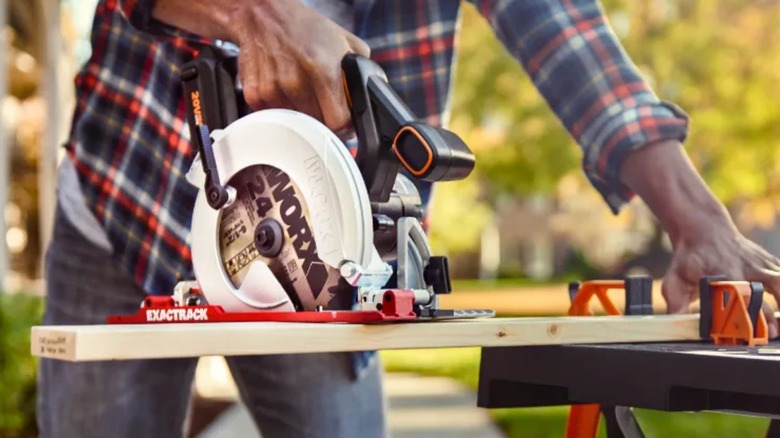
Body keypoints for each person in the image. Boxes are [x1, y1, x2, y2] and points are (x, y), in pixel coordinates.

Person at [38, 0, 780, 437]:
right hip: (130, 194)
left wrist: (695, 218)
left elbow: (554, 21)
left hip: (320, 268)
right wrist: (255, 12)